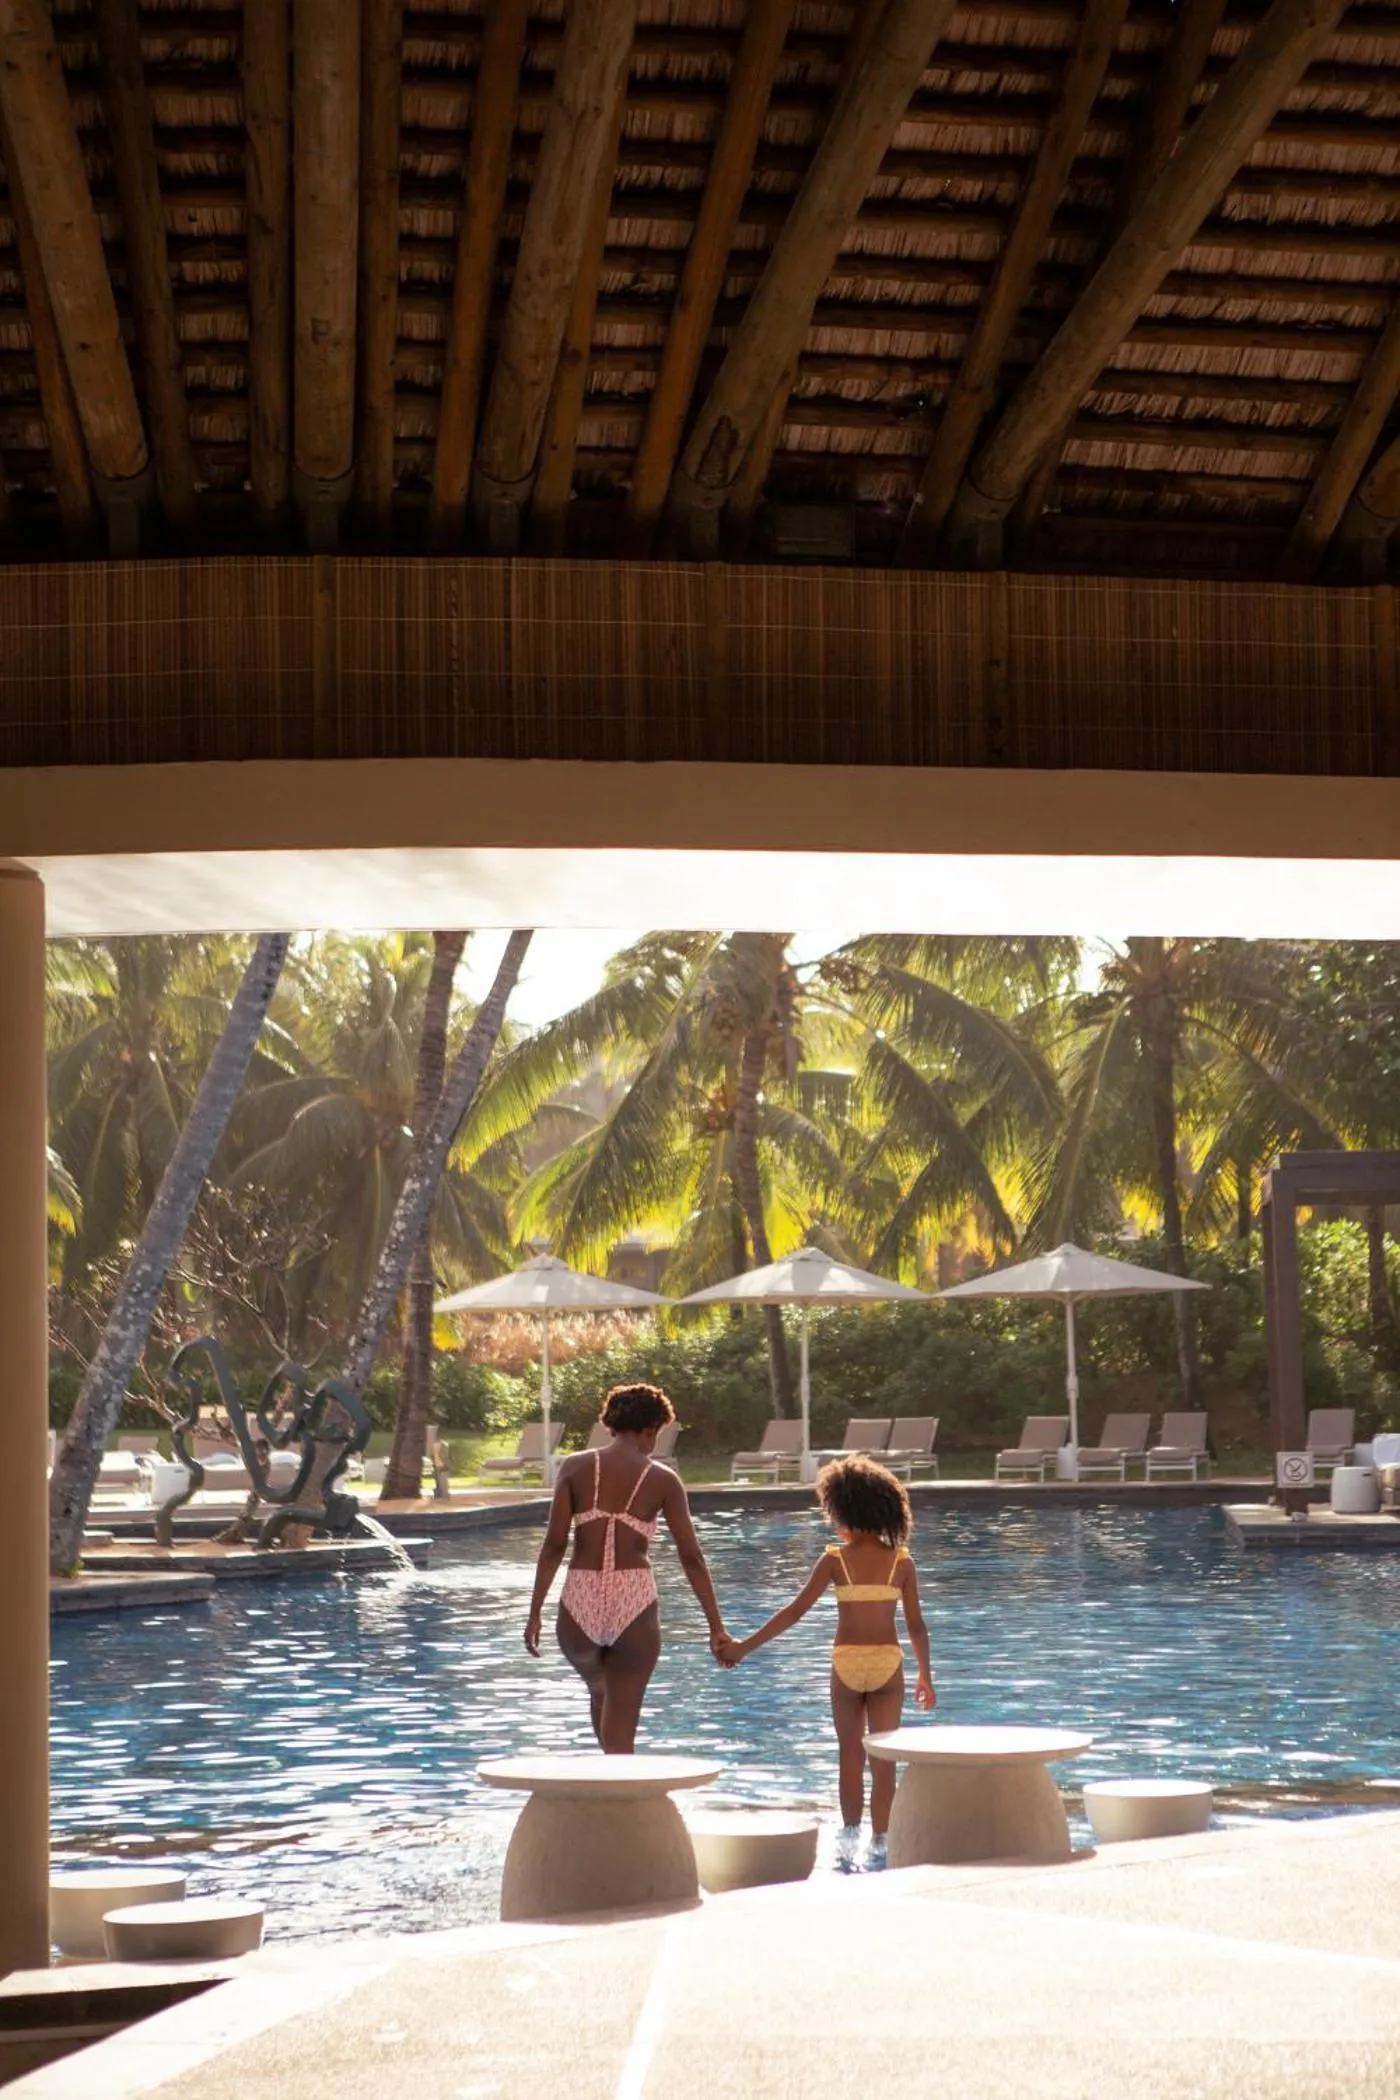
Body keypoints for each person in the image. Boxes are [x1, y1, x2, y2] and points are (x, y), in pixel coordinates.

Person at [718, 1454, 934, 1870]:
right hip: (889, 1665)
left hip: (847, 1665)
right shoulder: (901, 1562)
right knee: (883, 1760)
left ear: (844, 1510)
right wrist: (926, 1673)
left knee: (849, 1756)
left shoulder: (835, 1560)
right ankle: (882, 1843)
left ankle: (849, 1838)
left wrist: (744, 1647)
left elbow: (793, 1612)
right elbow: (917, 1626)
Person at [524, 1381, 729, 1752]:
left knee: (601, 1692)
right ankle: (621, 1799)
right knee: (622, 1720)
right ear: (650, 1430)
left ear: (612, 1424)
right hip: (633, 1596)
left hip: (580, 1595)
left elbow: (554, 1546)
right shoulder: (663, 1480)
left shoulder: (575, 1467)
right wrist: (715, 1625)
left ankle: (605, 1792)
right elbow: (692, 1557)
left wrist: (534, 1612)